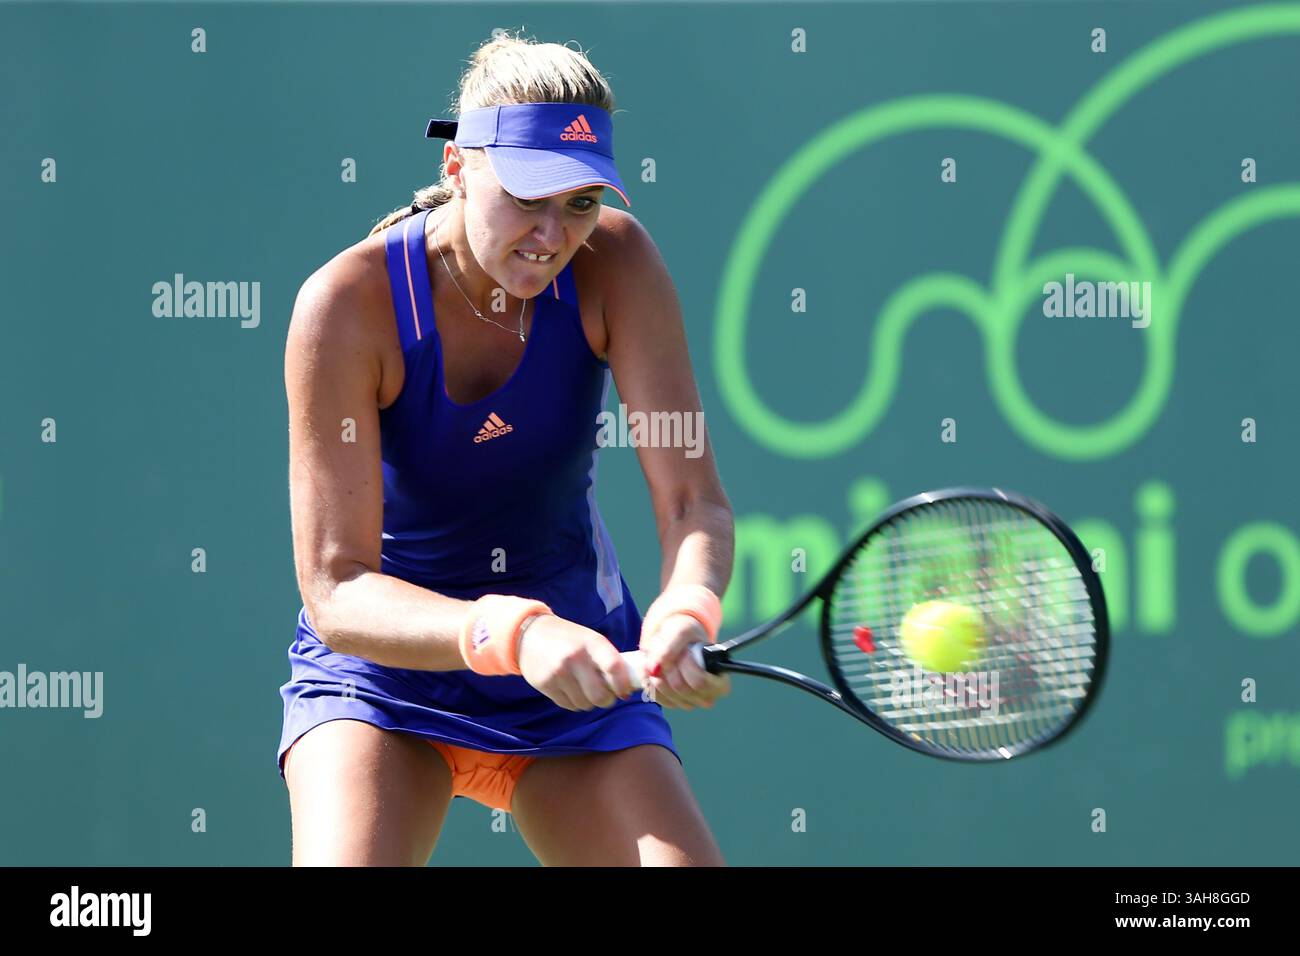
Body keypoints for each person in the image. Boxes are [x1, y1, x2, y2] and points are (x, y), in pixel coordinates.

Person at [276, 32, 735, 867]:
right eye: (528, 196)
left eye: (581, 202)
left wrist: (685, 609)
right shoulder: (346, 306)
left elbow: (690, 503)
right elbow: (336, 590)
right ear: (458, 165)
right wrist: (518, 636)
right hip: (383, 682)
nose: (552, 234)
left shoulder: (619, 262)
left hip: (578, 678)